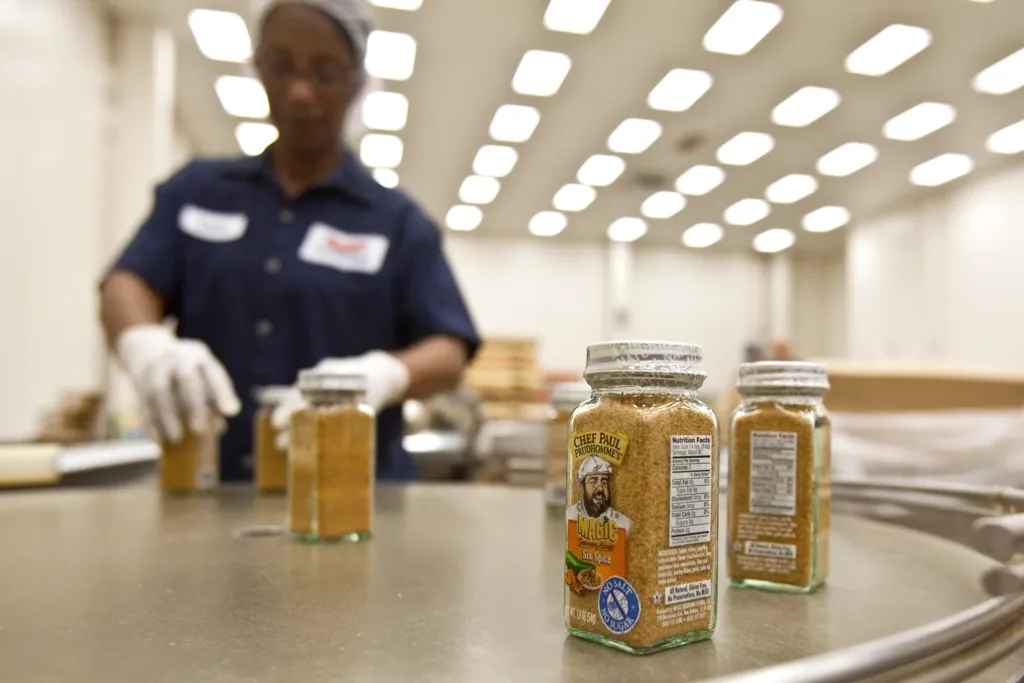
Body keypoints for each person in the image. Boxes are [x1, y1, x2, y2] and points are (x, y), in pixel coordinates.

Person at [99, 0, 480, 482]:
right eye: (281, 66)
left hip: (353, 492)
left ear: (357, 85)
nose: (299, 93)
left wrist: (381, 375)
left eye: (324, 73)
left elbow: (448, 349)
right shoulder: (195, 192)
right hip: (212, 487)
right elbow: (126, 282)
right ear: (258, 69)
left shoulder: (397, 222)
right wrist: (145, 344)